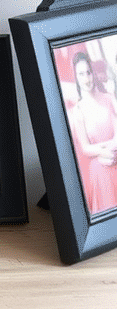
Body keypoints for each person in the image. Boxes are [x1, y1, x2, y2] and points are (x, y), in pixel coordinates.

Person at [68, 51, 117, 216]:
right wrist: (104, 151)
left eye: (88, 72)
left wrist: (111, 149)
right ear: (76, 77)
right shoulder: (78, 110)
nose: (86, 78)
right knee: (99, 168)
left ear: (93, 73)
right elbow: (85, 148)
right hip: (100, 166)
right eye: (81, 74)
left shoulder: (109, 98)